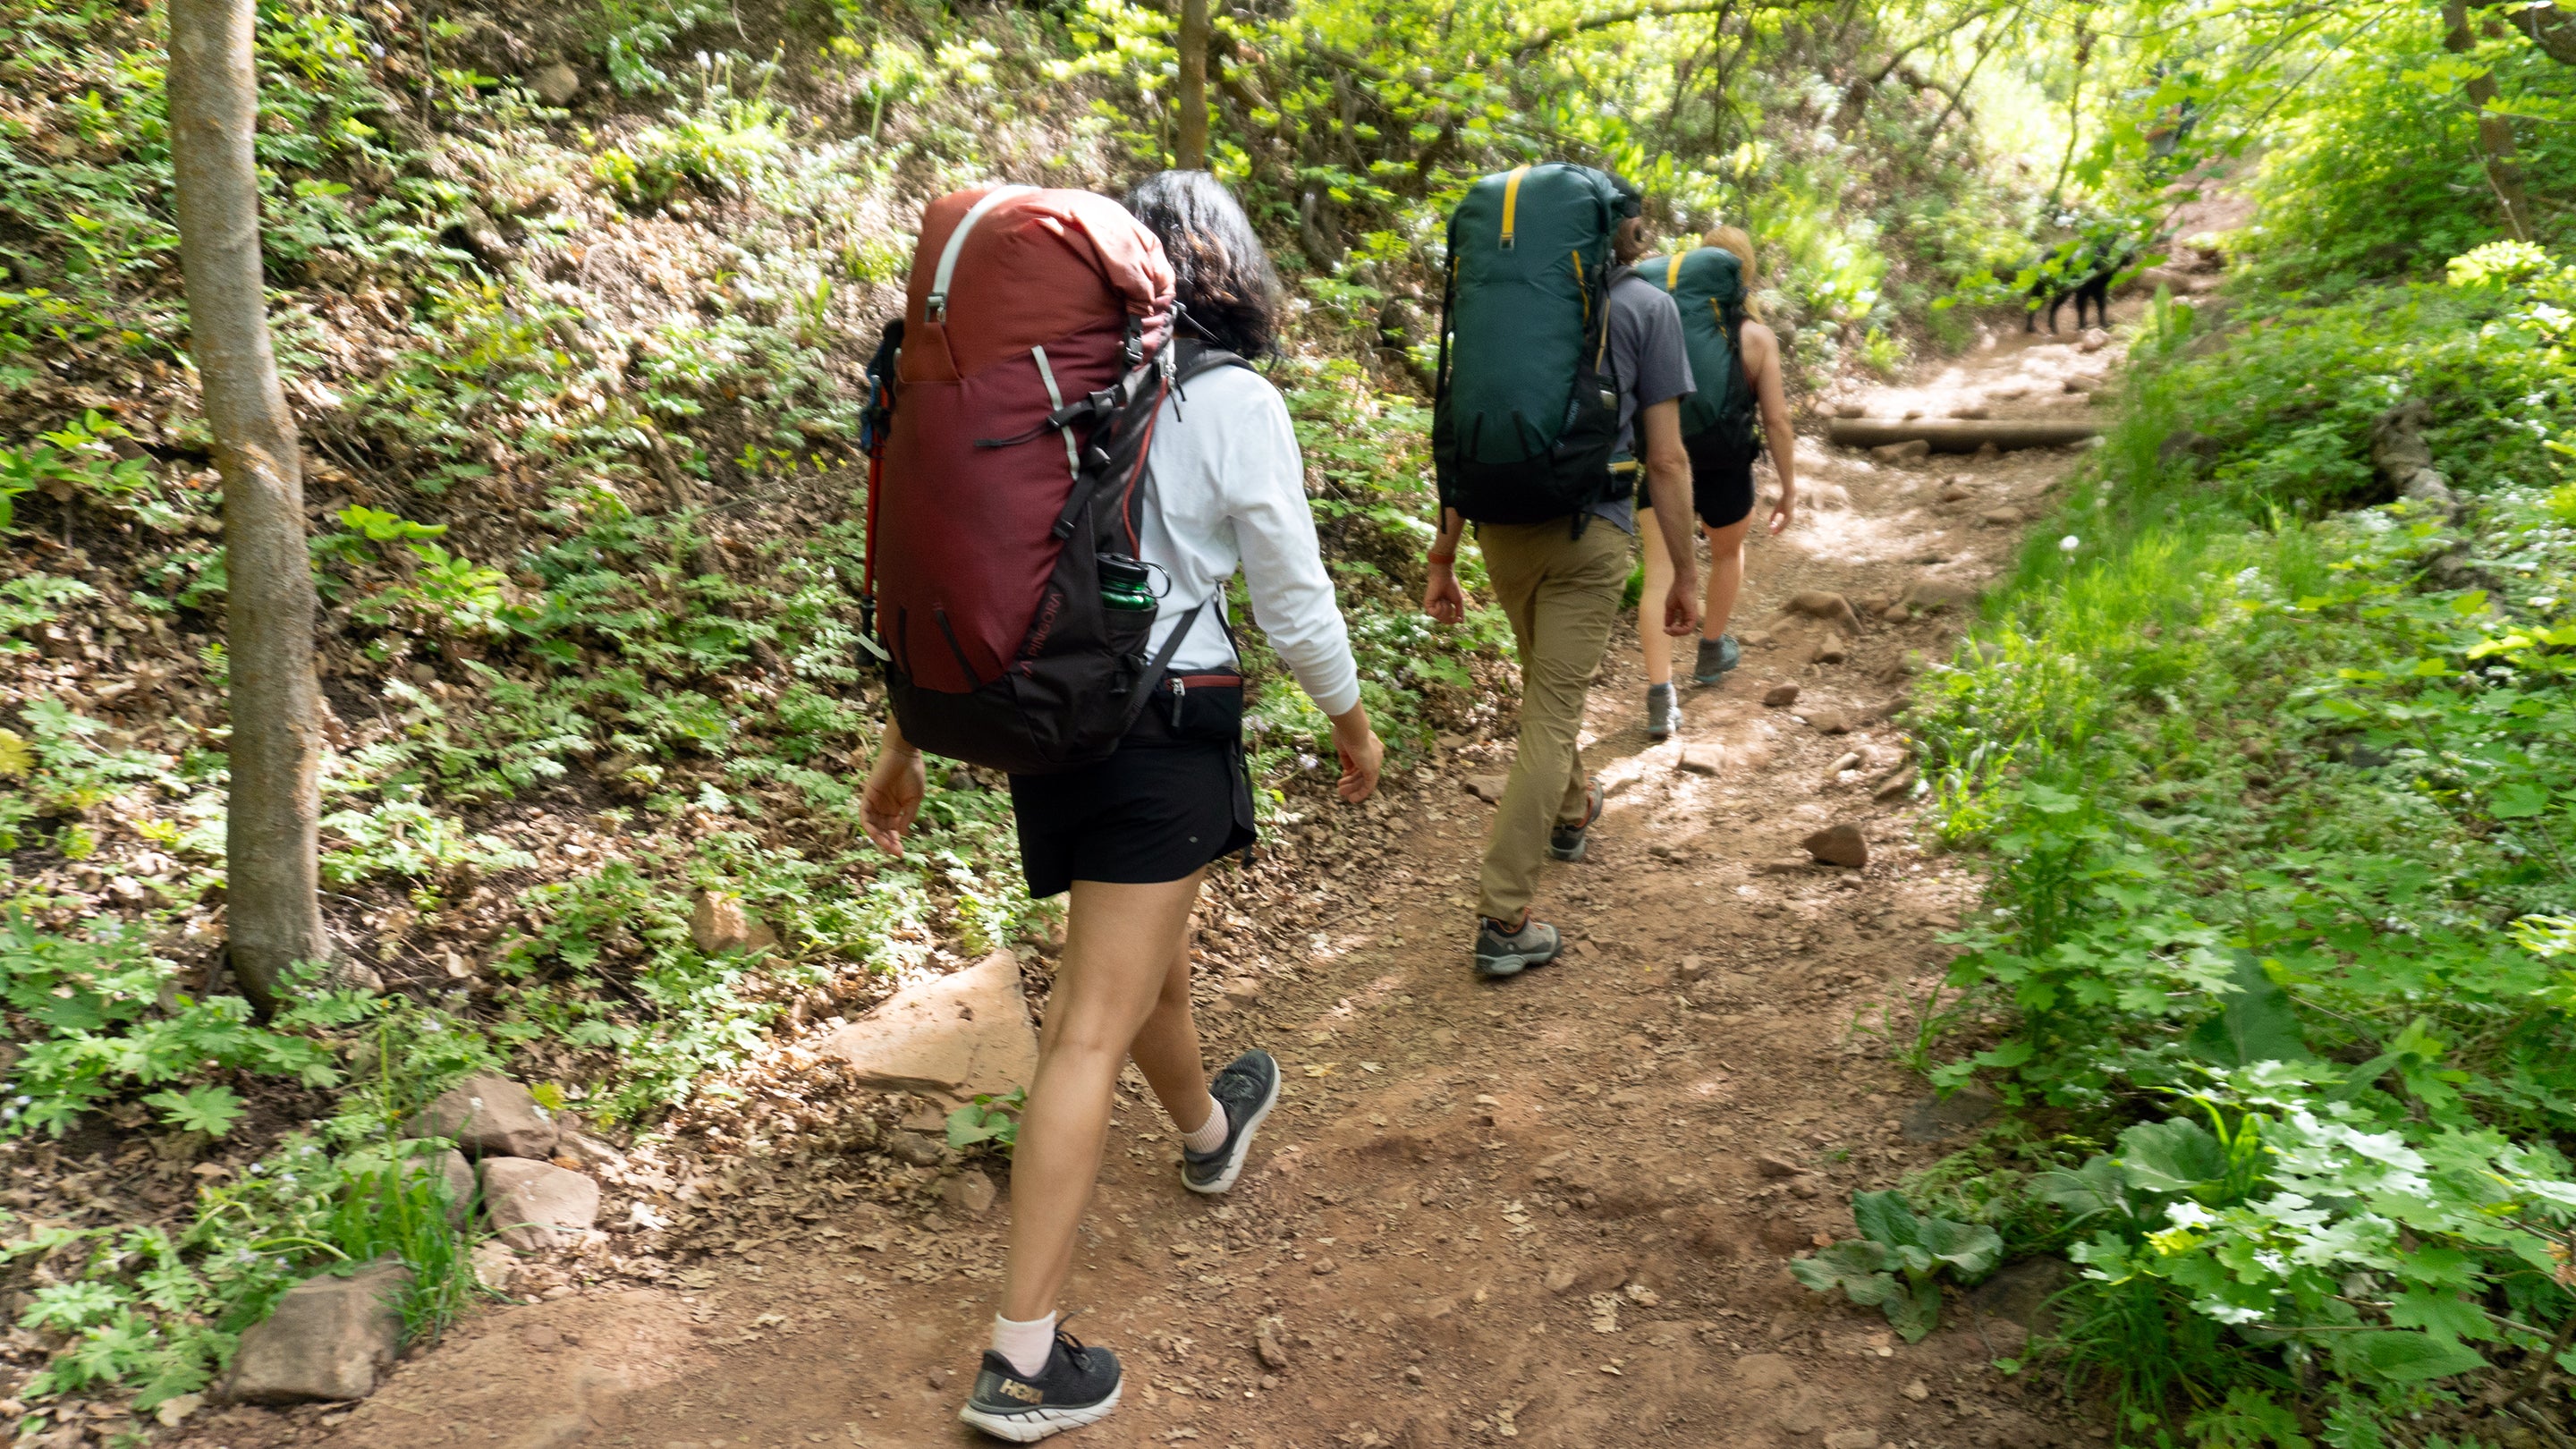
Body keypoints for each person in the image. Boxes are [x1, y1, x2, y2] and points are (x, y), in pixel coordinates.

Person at [860, 171, 1385, 1443]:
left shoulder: (1063, 393)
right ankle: (1023, 1360)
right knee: (1090, 1024)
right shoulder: (1231, 399)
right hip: (1165, 735)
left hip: (1051, 730)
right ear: (1238, 271)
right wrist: (1349, 718)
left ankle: (1209, 1129)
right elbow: (1292, 590)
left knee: (1150, 977)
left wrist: (903, 741)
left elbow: (1000, 567)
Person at [1422, 192, 1700, 979]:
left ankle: (1572, 813)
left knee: (1546, 687)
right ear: (1624, 232)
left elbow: (1461, 434)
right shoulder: (1649, 308)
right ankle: (1503, 916)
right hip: (1591, 532)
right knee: (1550, 714)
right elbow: (1669, 460)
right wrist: (1683, 571)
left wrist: (1443, 554)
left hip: (1500, 531)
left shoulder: (1505, 312)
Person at [1641, 225, 1798, 716]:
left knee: (1658, 576)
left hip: (1663, 461)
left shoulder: (1656, 324)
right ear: (1743, 274)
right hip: (1725, 462)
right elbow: (1776, 419)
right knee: (1728, 555)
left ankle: (1660, 697)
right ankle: (1711, 651)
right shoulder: (1756, 338)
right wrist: (1789, 487)